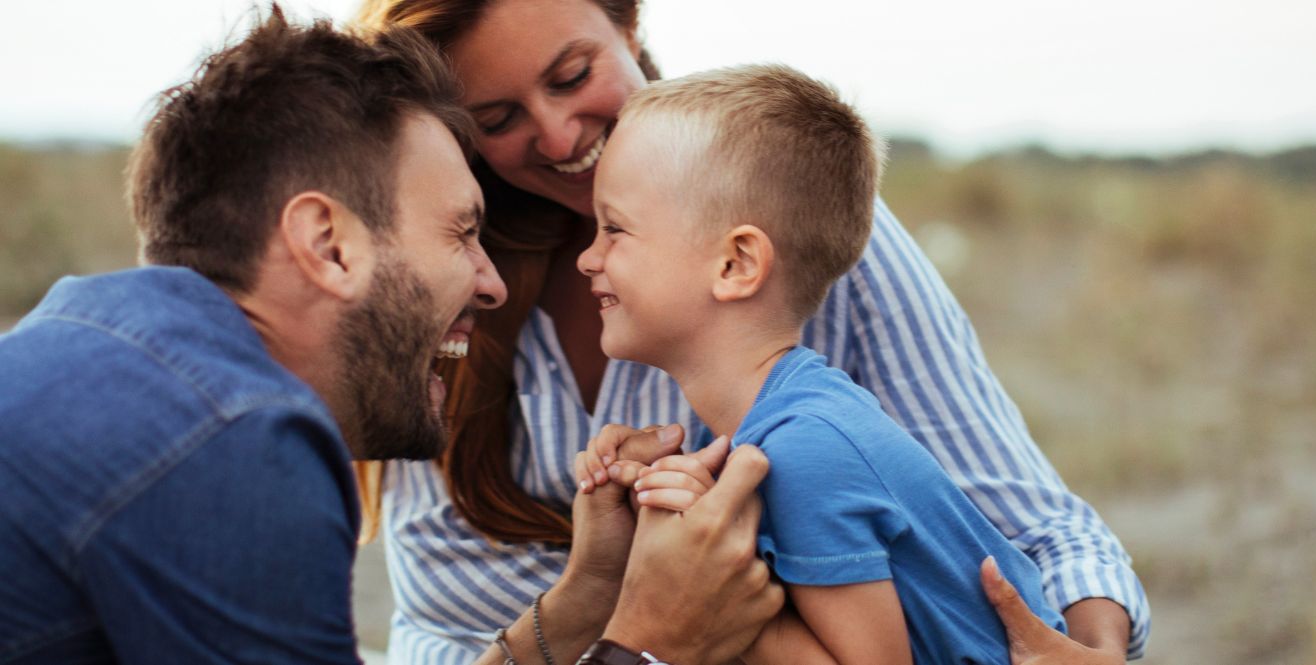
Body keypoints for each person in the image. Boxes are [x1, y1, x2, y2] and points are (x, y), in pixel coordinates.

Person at [354, 0, 1150, 662]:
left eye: (572, 75)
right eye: (496, 117)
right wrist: (631, 593)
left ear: (629, 27)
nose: (560, 137)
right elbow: (442, 616)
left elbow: (1027, 520)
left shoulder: (804, 248)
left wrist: (1095, 649)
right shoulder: (446, 278)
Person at [0, 10, 778, 664]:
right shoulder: (232, 442)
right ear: (329, 244)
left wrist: (585, 601)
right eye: (461, 233)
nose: (491, 281)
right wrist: (652, 635)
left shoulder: (90, 343)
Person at [569, 64, 1069, 664]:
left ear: (735, 264)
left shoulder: (808, 450)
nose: (587, 258)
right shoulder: (745, 428)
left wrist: (726, 606)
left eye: (614, 229)